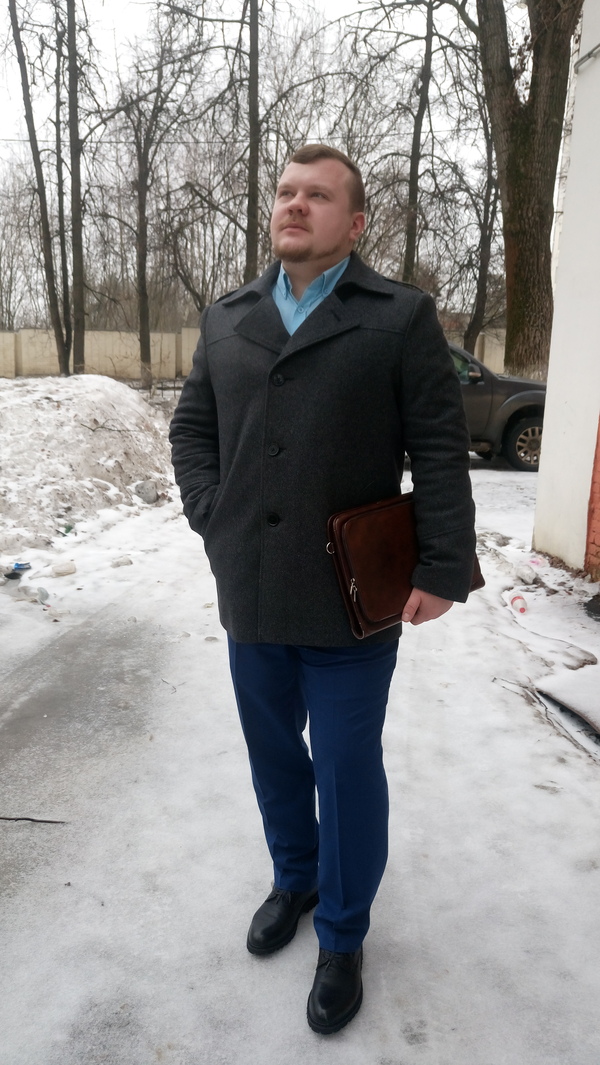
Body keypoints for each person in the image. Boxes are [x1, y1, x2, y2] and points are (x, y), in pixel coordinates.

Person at [169, 144, 475, 1035]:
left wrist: (442, 567)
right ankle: (295, 878)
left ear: (356, 222)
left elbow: (439, 448)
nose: (295, 205)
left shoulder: (401, 317)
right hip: (253, 590)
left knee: (344, 767)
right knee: (273, 753)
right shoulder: (226, 317)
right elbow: (192, 430)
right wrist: (213, 514)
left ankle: (342, 933)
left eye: (318, 195)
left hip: (351, 598)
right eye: (285, 192)